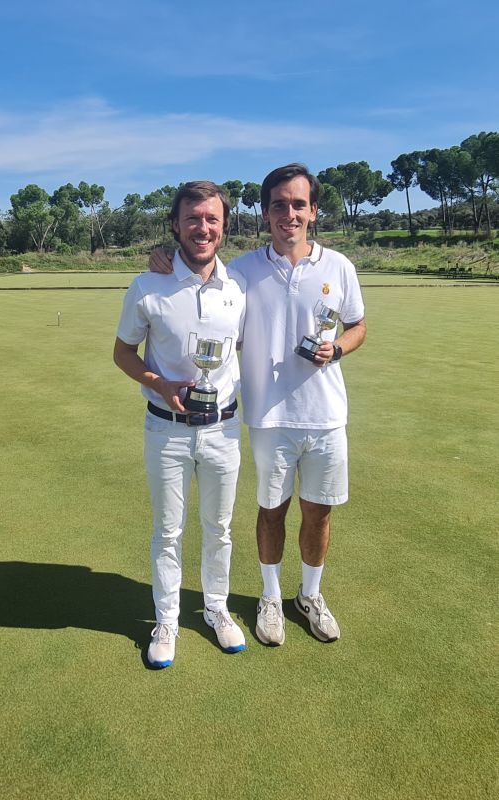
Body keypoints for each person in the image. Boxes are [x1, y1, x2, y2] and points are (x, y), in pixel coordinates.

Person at [149, 164, 366, 647]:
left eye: (298, 204)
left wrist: (341, 348)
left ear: (313, 210)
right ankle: (270, 598)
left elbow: (358, 325)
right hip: (267, 418)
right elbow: (196, 264)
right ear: (265, 213)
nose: (289, 213)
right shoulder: (243, 271)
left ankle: (309, 595)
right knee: (271, 511)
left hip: (328, 416)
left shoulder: (340, 267)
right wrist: (162, 255)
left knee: (320, 512)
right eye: (278, 205)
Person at [114, 181, 246, 669]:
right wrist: (160, 382)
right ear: (175, 225)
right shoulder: (149, 285)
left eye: (212, 218)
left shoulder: (240, 286)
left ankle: (216, 609)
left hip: (223, 429)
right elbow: (122, 353)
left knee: (220, 528)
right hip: (166, 428)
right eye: (192, 218)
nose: (202, 227)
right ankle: (166, 619)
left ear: (224, 225)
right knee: (168, 532)